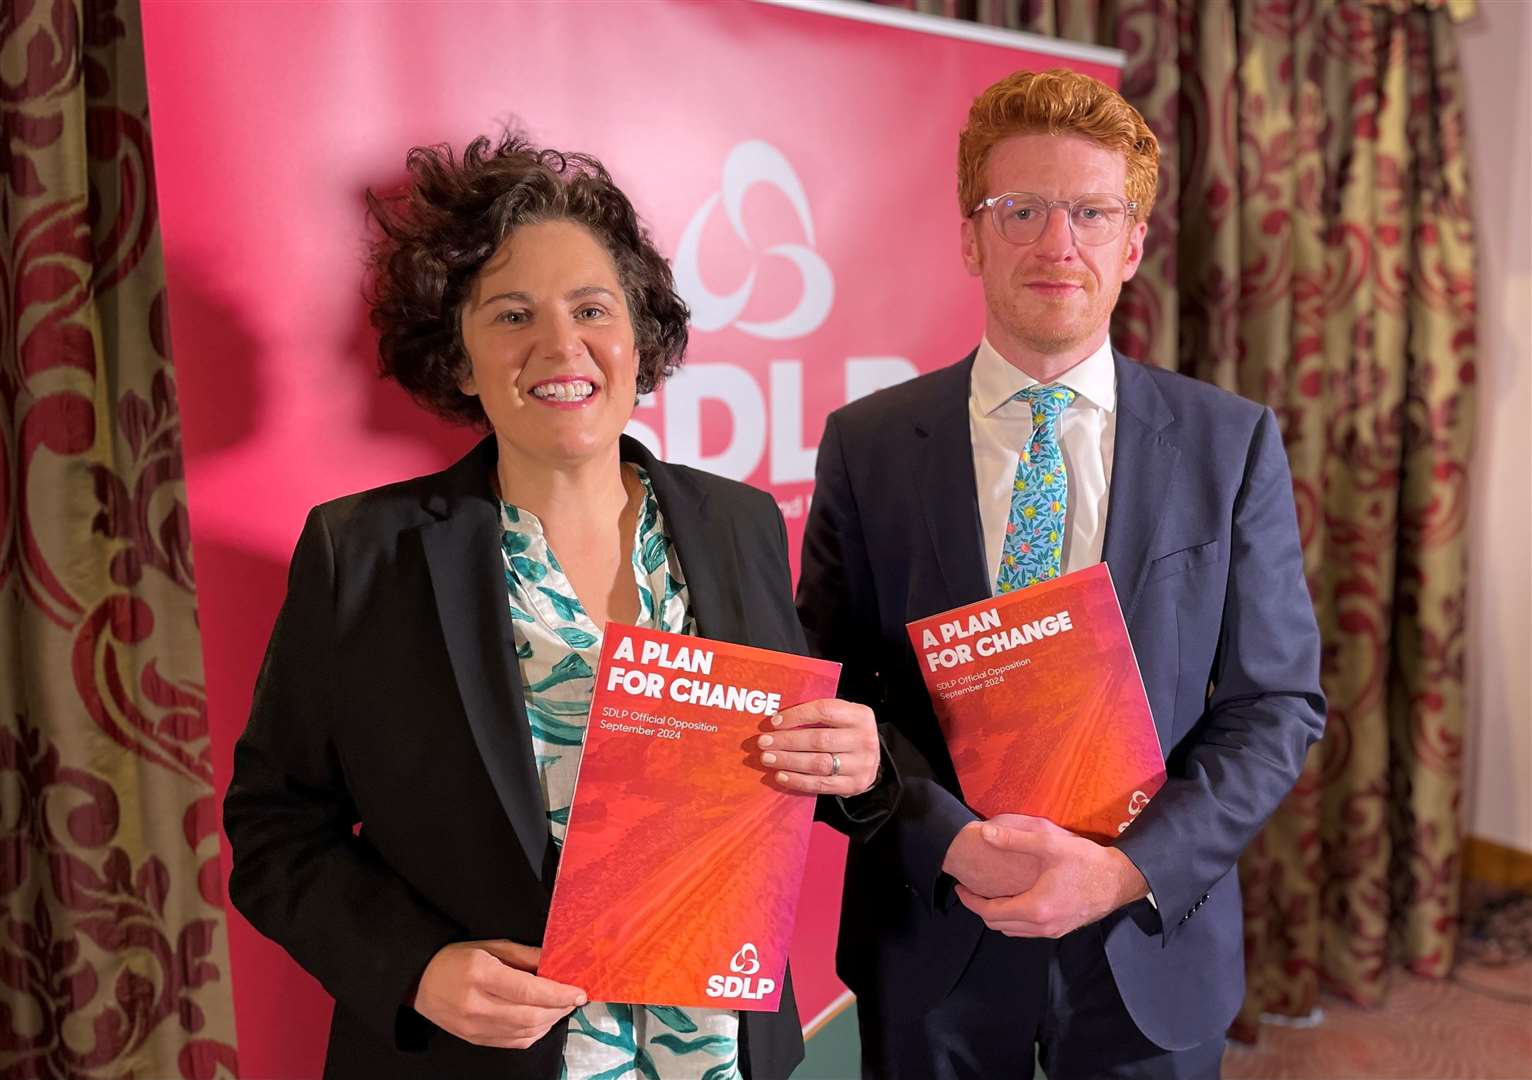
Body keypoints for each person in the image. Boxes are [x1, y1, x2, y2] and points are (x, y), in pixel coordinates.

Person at [223, 134, 882, 1080]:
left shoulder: (737, 522)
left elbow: (789, 781)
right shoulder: (363, 554)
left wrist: (854, 767)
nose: (560, 347)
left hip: (719, 1052)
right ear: (457, 358)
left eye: (590, 309)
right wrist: (418, 969)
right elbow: (275, 828)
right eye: (512, 315)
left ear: (638, 338)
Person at [795, 69, 1326, 1078]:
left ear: (1131, 244)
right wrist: (945, 841)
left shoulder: (1229, 445)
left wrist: (1128, 871)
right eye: (1020, 210)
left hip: (1146, 940)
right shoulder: (867, 447)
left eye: (1090, 212)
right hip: (930, 930)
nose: (1055, 243)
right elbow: (833, 696)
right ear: (968, 236)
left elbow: (1275, 702)